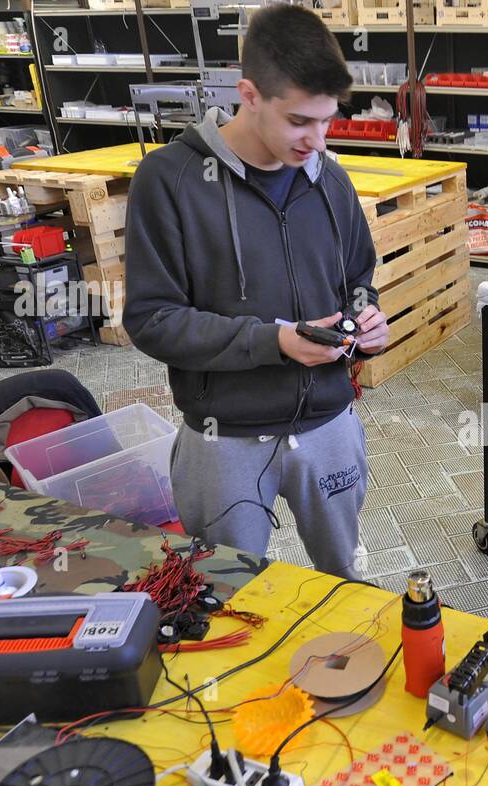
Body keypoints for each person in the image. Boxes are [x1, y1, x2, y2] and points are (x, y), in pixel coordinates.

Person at [122, 5, 388, 576]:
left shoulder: (330, 178)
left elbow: (359, 279)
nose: (317, 140)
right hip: (226, 441)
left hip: (328, 427)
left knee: (347, 581)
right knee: (226, 588)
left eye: (327, 120)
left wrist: (368, 320)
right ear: (249, 93)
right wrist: (275, 341)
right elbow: (151, 318)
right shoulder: (170, 181)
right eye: (299, 121)